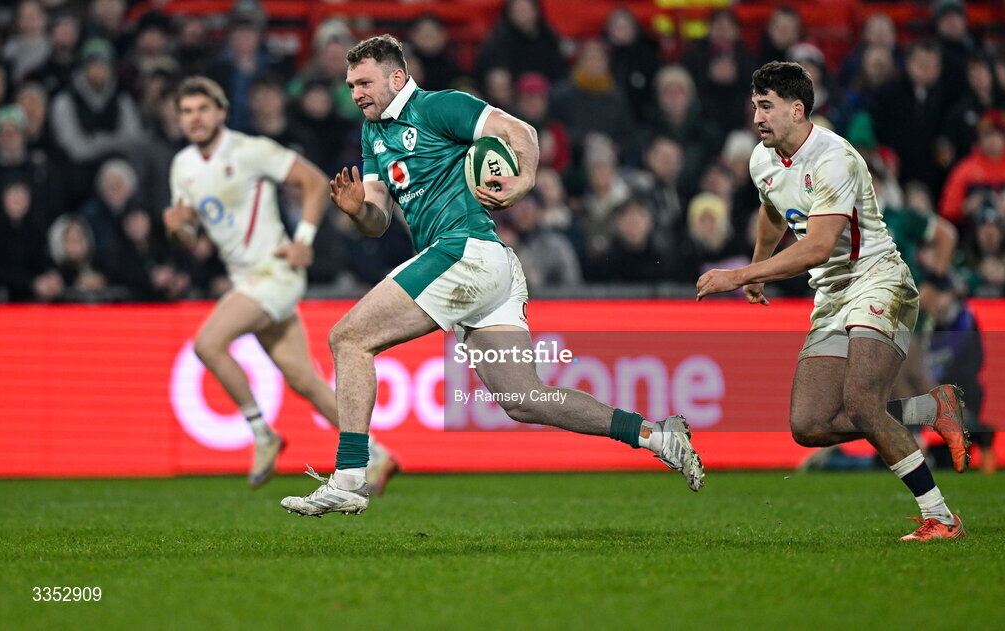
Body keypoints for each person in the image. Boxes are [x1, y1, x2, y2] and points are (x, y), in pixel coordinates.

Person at [280, 34, 703, 518]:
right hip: (488, 268)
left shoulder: (440, 107)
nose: (355, 93)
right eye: (350, 84)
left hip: (466, 252)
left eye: (364, 82)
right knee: (525, 400)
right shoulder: (372, 134)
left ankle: (352, 477)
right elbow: (378, 219)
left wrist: (524, 181)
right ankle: (656, 434)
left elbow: (520, 129)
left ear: (397, 78)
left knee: (349, 338)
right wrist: (358, 211)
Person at [696, 62, 970, 541]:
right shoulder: (763, 159)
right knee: (810, 424)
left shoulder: (834, 157)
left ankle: (941, 517)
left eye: (767, 106)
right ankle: (932, 409)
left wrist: (738, 273)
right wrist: (759, 269)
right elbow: (771, 209)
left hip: (877, 280)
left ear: (797, 110)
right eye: (754, 105)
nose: (756, 116)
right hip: (832, 293)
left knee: (862, 403)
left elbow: (819, 246)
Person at [163, 76, 398, 492]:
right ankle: (375, 453)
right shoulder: (183, 167)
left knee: (207, 344)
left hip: (274, 272)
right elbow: (191, 239)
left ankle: (261, 432)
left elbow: (312, 181)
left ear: (220, 112)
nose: (194, 118)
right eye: (186, 112)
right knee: (304, 380)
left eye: (202, 109)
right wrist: (178, 231)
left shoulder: (251, 150)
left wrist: (303, 241)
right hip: (245, 278)